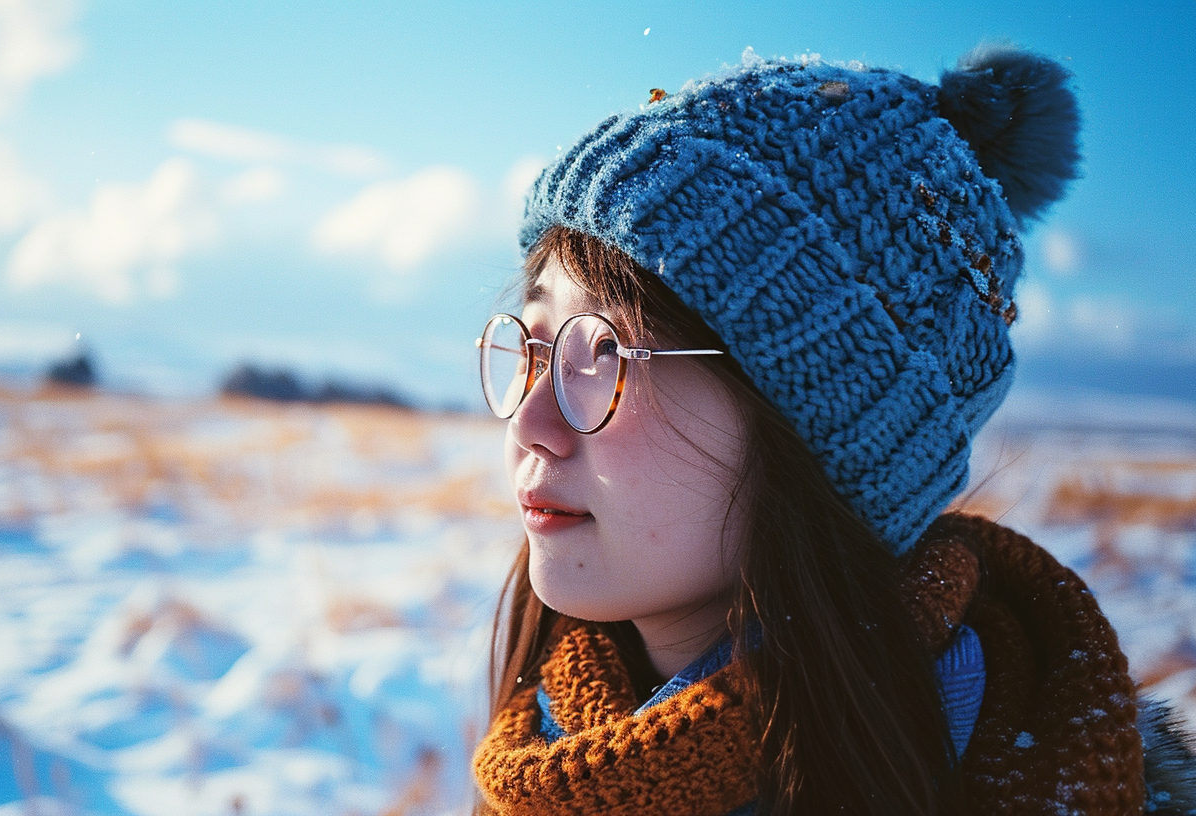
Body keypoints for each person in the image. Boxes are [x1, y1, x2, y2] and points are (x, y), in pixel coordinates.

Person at [469, 45, 1196, 815]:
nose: (531, 420)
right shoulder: (545, 761)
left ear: (820, 435)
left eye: (607, 350)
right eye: (537, 343)